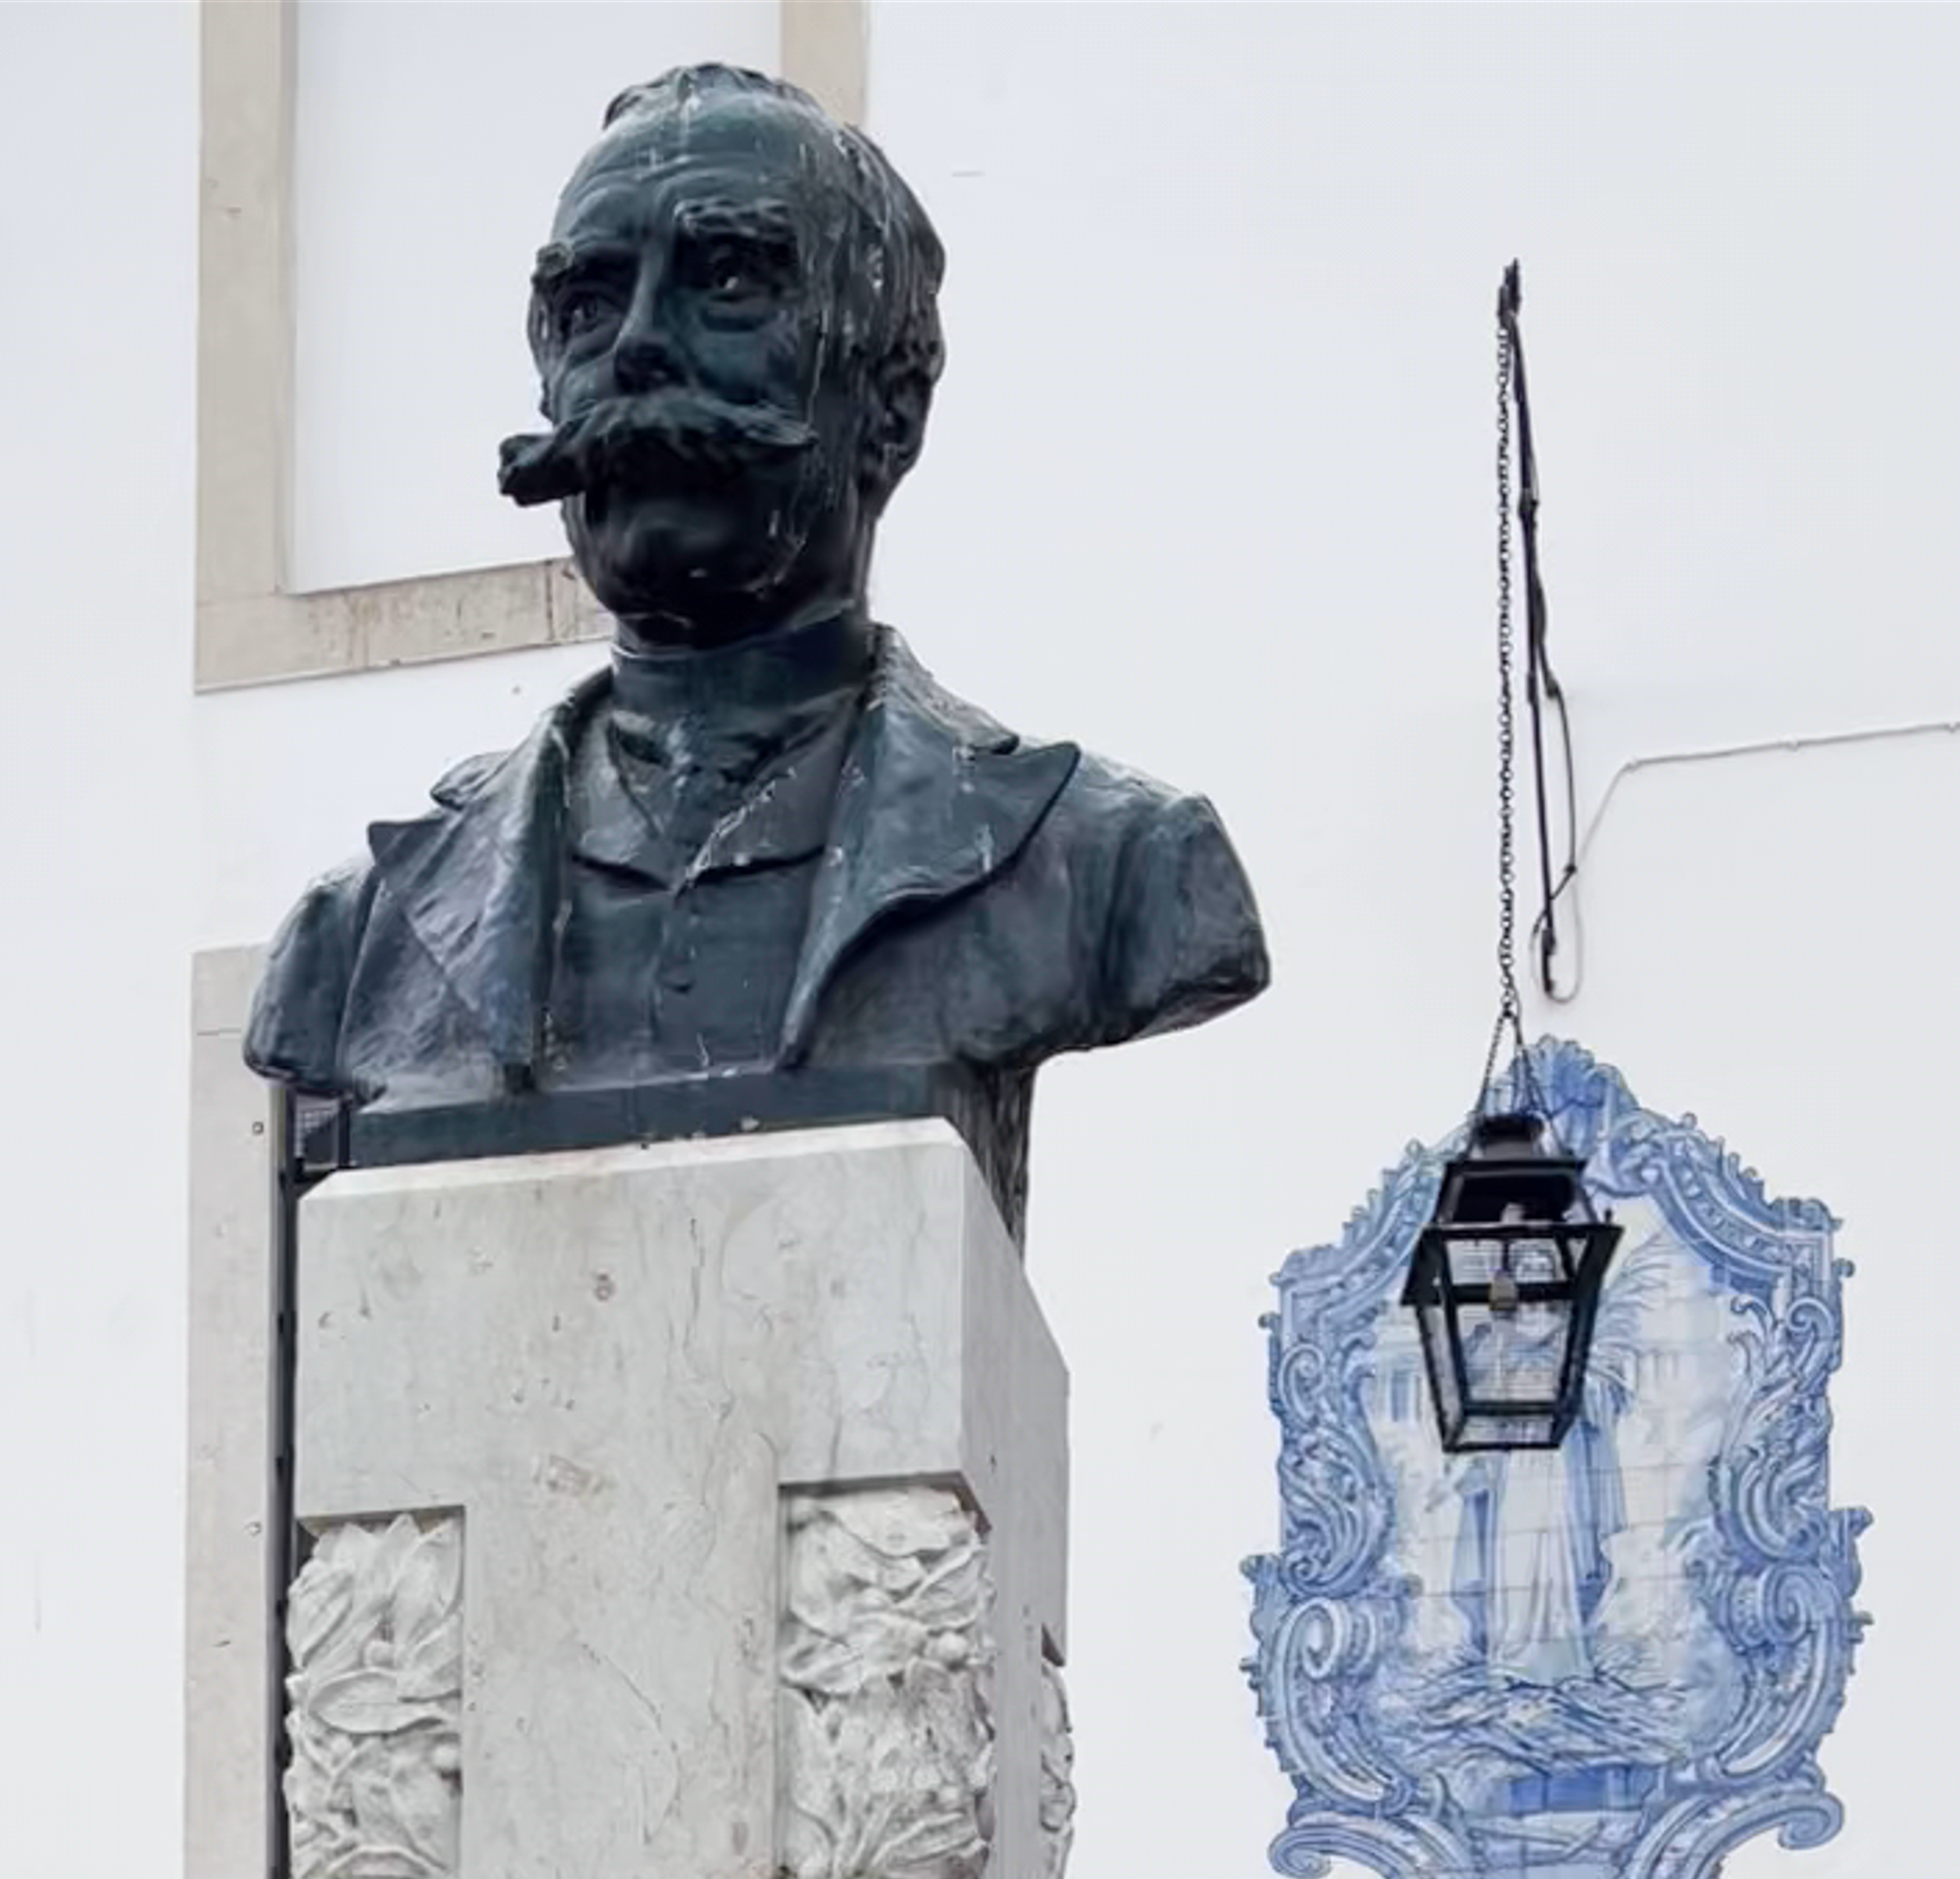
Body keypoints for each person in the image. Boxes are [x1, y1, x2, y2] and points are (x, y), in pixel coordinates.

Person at [245, 62, 1265, 1219]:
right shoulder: (356, 940)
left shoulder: (1106, 863)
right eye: (588, 306)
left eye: (727, 281)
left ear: (893, 406)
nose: (636, 350)